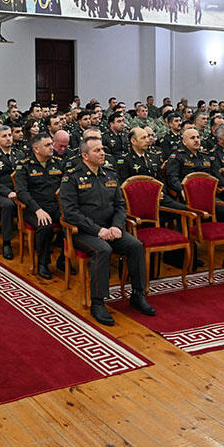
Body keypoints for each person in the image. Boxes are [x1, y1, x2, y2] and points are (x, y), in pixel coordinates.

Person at [59, 137, 156, 326]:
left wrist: (117, 227)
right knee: (102, 250)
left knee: (136, 245)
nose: (103, 153)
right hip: (83, 232)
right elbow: (70, 213)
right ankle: (98, 302)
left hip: (110, 228)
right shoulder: (71, 177)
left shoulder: (110, 174)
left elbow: (120, 205)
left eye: (102, 149)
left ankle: (137, 294)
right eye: (97, 150)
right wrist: (98, 230)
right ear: (85, 156)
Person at [14, 133, 66, 278]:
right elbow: (22, 192)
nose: (52, 147)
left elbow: (67, 185)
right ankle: (42, 263)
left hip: (55, 205)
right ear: (36, 149)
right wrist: (37, 210)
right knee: (45, 225)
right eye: (48, 145)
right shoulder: (24, 166)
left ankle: (63, 259)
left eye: (52, 144)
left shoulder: (58, 163)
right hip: (33, 207)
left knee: (71, 220)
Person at [166, 126, 220, 200]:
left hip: (207, 191)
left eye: (198, 137)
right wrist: (181, 189)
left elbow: (214, 174)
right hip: (188, 193)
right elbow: (172, 178)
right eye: (192, 138)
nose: (196, 140)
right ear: (184, 142)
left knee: (222, 208)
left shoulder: (206, 155)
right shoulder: (177, 156)